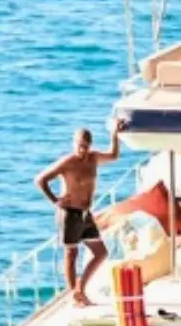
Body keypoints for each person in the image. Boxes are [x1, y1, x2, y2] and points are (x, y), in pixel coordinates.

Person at [36, 122, 126, 307]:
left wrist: (115, 134)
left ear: (90, 144)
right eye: (80, 146)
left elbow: (114, 156)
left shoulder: (93, 158)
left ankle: (80, 288)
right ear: (74, 143)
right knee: (71, 253)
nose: (83, 150)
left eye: (86, 146)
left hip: (85, 214)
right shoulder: (68, 162)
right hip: (70, 213)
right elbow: (40, 180)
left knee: (101, 252)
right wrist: (55, 200)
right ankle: (74, 296)